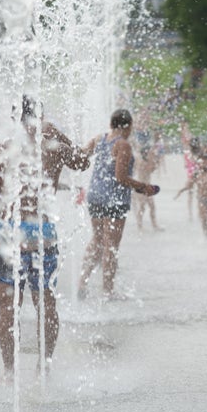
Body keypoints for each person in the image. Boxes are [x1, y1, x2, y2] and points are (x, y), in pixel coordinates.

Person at [0, 95, 91, 379]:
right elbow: (82, 161)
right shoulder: (54, 148)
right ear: (42, 118)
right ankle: (44, 367)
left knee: (8, 308)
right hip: (41, 234)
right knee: (46, 305)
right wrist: (58, 133)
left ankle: (8, 372)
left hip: (7, 234)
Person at [78, 109, 160, 300]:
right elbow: (121, 177)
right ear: (128, 125)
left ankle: (82, 284)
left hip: (96, 196)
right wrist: (143, 187)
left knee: (97, 240)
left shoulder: (99, 139)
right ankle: (108, 291)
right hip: (113, 199)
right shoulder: (123, 145)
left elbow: (81, 156)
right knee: (111, 245)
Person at [175, 151, 207, 239]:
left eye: (205, 162)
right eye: (201, 162)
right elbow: (189, 185)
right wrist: (181, 190)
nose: (203, 164)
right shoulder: (196, 174)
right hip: (202, 199)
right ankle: (206, 237)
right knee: (204, 218)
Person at [134, 142, 164, 232]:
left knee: (151, 207)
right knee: (143, 207)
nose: (152, 153)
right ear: (146, 153)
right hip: (142, 188)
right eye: (150, 152)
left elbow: (151, 169)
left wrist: (155, 160)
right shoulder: (143, 162)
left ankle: (153, 225)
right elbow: (151, 169)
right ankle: (140, 226)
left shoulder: (144, 161)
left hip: (146, 187)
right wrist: (156, 161)